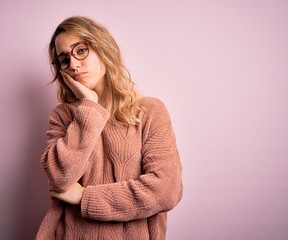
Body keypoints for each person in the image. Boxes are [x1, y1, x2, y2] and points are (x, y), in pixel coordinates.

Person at [36, 16, 183, 240]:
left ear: (103, 48)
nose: (73, 64)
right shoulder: (63, 116)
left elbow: (165, 191)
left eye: (81, 50)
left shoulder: (150, 111)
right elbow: (59, 179)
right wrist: (90, 109)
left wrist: (84, 197)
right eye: (64, 59)